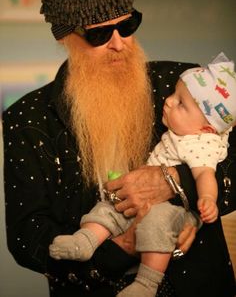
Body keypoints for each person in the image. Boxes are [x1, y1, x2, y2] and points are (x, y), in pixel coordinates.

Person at [2, 0, 236, 297]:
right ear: (66, 38)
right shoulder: (27, 118)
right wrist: (123, 245)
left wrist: (176, 182)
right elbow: (27, 237)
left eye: (127, 26)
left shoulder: (182, 84)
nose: (119, 44)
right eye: (100, 35)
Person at [48, 53, 236, 297]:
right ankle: (85, 240)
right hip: (146, 202)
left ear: (207, 127)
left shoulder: (203, 145)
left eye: (180, 104)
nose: (168, 101)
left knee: (157, 224)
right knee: (111, 207)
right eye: (174, 95)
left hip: (176, 210)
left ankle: (146, 284)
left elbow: (205, 176)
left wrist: (208, 199)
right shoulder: (183, 131)